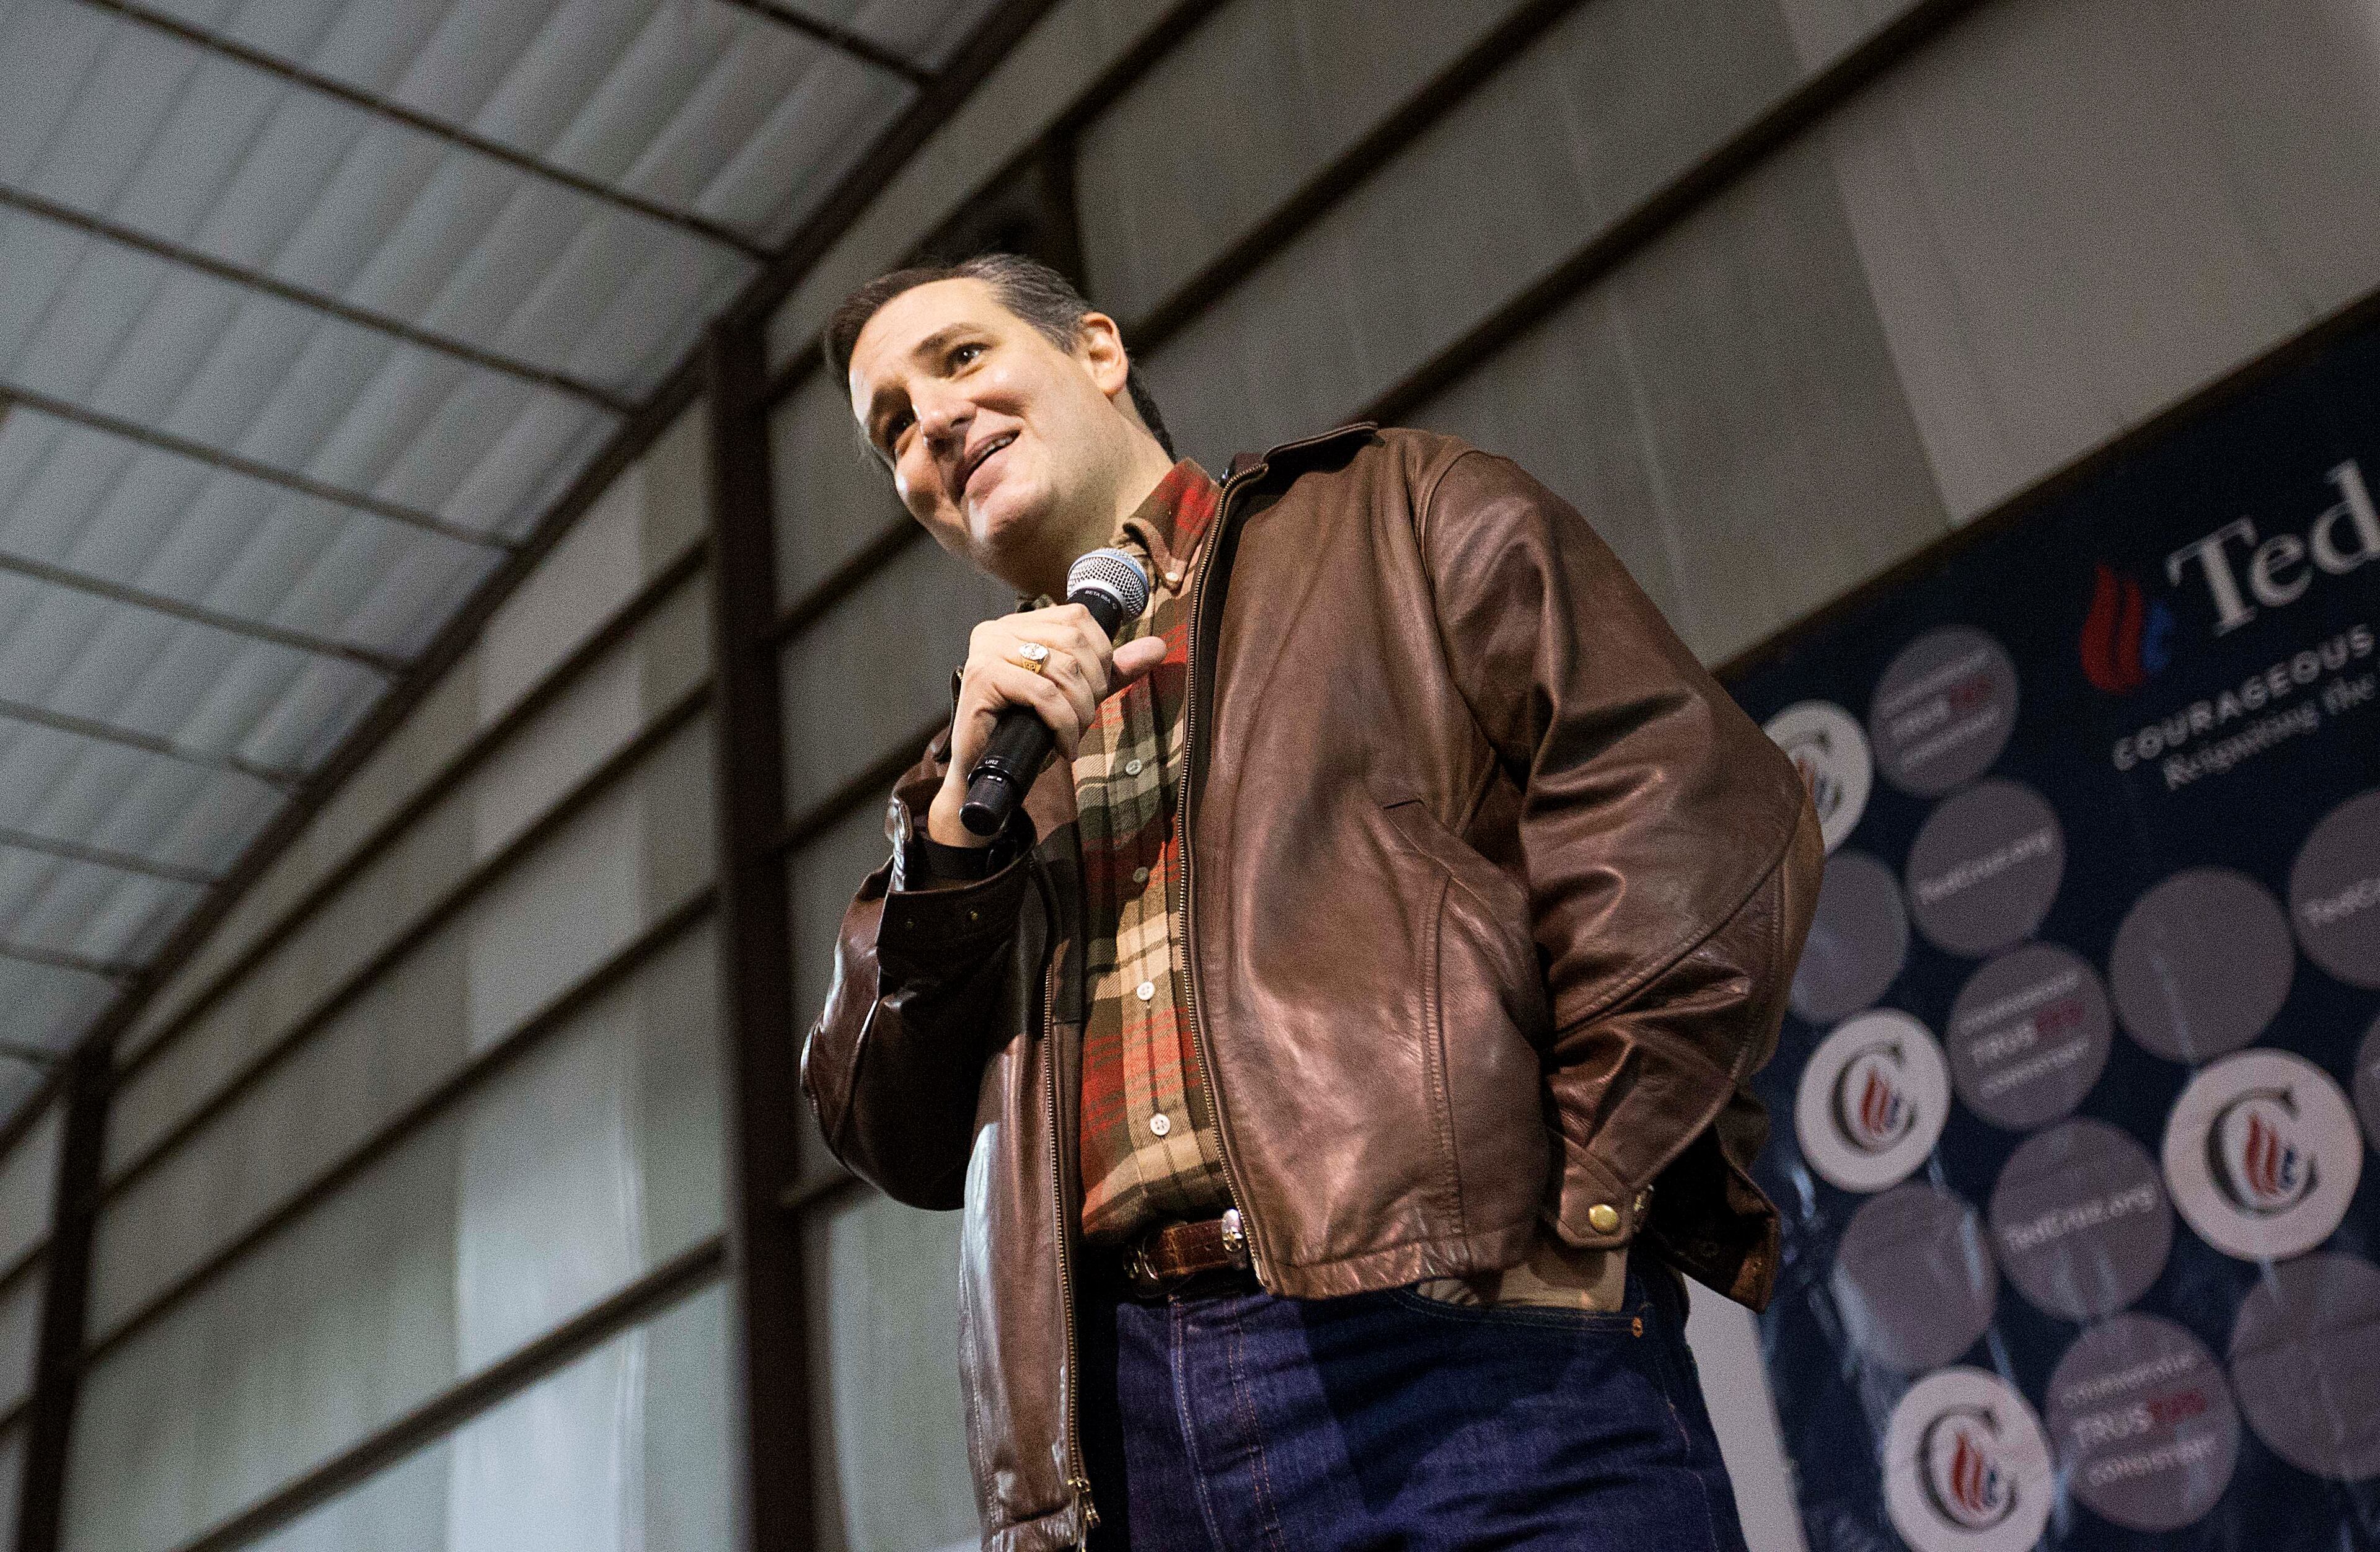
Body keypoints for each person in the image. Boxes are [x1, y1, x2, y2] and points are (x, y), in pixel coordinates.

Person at [801, 252, 1823, 1552]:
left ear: (1099, 354)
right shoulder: (973, 780)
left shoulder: (1394, 512)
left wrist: (1586, 1198)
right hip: (1133, 1441)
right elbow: (881, 1124)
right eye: (891, 423)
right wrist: (951, 840)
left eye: (959, 359)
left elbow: (1691, 820)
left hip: (1465, 1348)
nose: (930, 421)